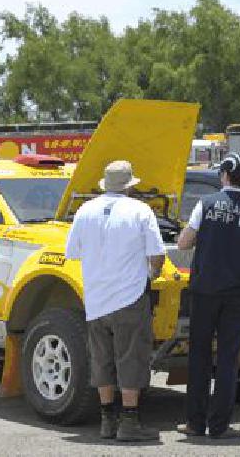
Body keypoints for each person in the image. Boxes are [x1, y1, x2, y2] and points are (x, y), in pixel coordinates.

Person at [174, 152, 240, 439]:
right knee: (229, 359)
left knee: (199, 357)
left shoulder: (205, 204)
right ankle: (219, 426)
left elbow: (184, 242)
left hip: (205, 291)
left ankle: (195, 424)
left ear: (224, 175)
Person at [65, 160, 165, 442]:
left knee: (102, 360)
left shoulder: (85, 210)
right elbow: (157, 254)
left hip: (96, 299)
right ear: (130, 186)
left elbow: (72, 252)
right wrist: (152, 274)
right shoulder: (140, 210)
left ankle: (107, 421)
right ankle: (129, 423)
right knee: (130, 359)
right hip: (130, 297)